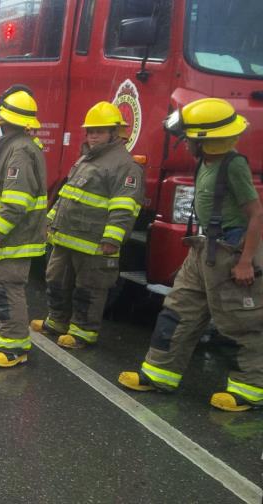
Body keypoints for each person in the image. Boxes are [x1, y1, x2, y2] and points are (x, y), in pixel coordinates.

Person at [119, 98, 263, 412]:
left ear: (207, 141)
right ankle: (159, 374)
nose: (184, 144)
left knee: (241, 323)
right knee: (179, 310)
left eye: (188, 139)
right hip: (203, 250)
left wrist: (245, 262)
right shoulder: (205, 162)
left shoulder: (233, 165)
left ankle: (250, 389)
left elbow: (256, 214)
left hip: (230, 252)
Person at [30, 102, 144, 349]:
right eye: (90, 131)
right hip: (66, 236)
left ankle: (83, 332)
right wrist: (50, 221)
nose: (93, 136)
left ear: (115, 133)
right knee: (56, 280)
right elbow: (66, 195)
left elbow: (125, 207)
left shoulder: (125, 165)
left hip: (94, 243)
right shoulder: (86, 158)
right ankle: (57, 322)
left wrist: (112, 239)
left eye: (99, 132)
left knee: (89, 288)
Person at [0, 87, 47, 368]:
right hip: (6, 238)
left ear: (6, 122)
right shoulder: (15, 147)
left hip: (12, 238)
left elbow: (17, 201)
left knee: (7, 288)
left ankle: (15, 346)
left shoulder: (20, 151)